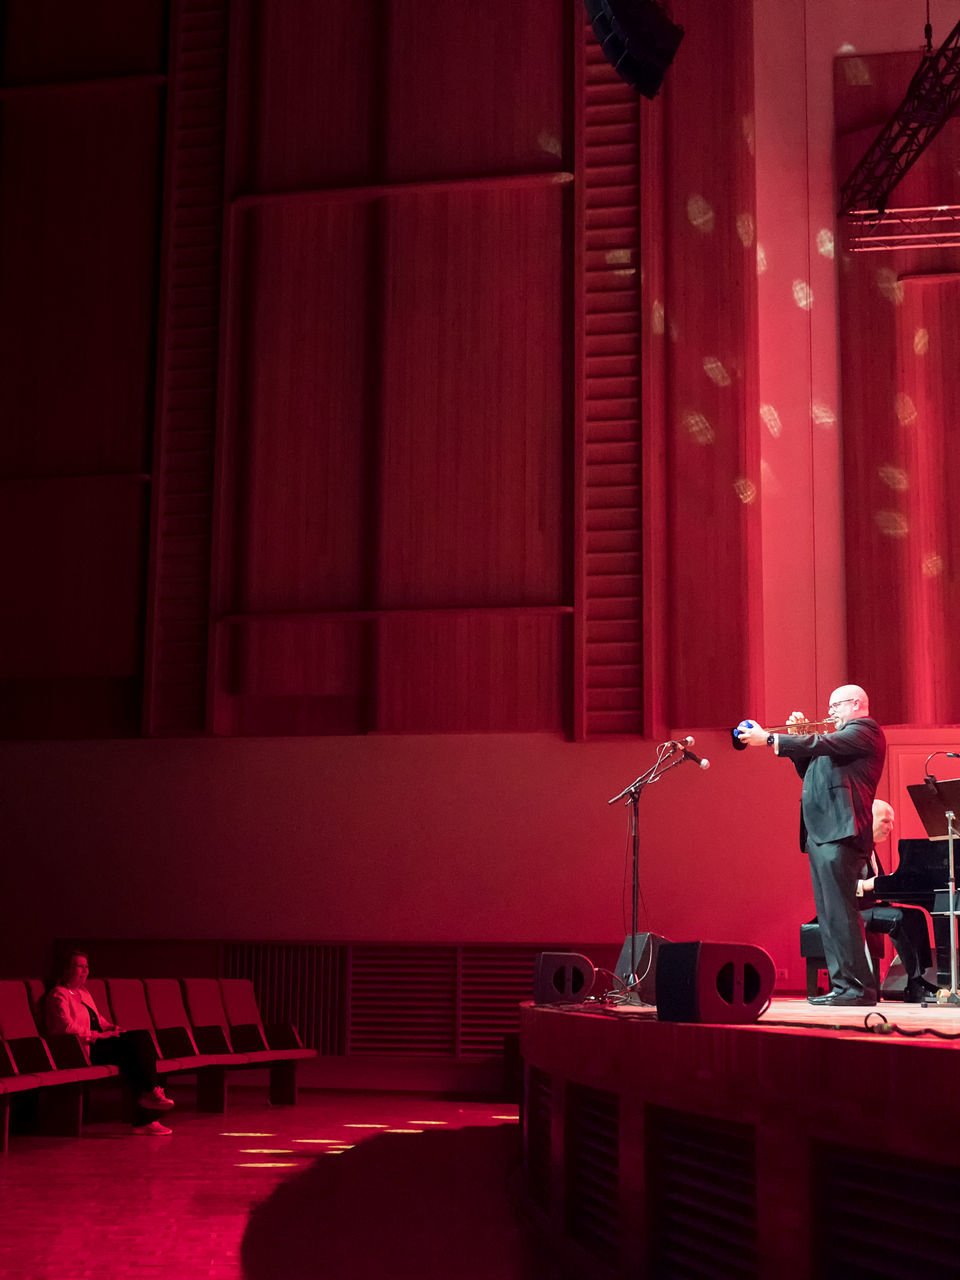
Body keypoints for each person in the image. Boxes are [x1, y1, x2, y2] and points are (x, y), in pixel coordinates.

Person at [737, 684, 885, 1006]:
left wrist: (773, 739)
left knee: (841, 913)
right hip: (823, 832)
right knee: (830, 914)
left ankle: (858, 989)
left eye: (836, 706)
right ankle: (844, 986)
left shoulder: (866, 730)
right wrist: (800, 746)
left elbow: (823, 742)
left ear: (856, 703)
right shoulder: (838, 743)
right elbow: (810, 771)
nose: (829, 713)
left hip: (841, 832)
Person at [44, 949, 174, 1135]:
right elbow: (65, 1029)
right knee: (137, 1049)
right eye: (79, 966)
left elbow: (98, 1019)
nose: (84, 970)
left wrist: (111, 1028)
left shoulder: (83, 993)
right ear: (65, 969)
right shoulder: (58, 995)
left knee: (140, 1044)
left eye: (87, 967)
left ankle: (148, 1104)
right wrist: (98, 1035)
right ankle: (146, 1113)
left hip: (98, 1042)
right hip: (83, 1049)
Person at [859, 799, 936, 1003]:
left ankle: (919, 978)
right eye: (885, 821)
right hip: (851, 911)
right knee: (900, 918)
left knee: (916, 914)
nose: (890, 827)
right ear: (868, 819)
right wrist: (870, 884)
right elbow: (843, 886)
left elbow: (878, 886)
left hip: (871, 908)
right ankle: (915, 981)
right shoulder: (853, 850)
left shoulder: (871, 849)